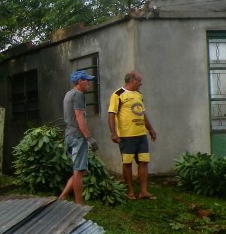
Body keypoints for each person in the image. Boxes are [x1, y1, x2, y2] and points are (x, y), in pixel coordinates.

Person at [107, 70, 157, 200]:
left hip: (141, 135)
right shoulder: (118, 94)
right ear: (132, 80)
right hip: (127, 136)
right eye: (139, 81)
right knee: (127, 162)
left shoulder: (139, 95)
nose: (141, 83)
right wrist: (114, 133)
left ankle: (143, 191)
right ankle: (130, 191)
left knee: (144, 161)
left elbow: (142, 113)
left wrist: (150, 129)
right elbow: (111, 115)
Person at [59, 70, 99, 205]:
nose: (89, 83)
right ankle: (79, 204)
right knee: (79, 171)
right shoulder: (78, 94)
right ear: (79, 82)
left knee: (77, 170)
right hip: (77, 136)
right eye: (86, 80)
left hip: (69, 135)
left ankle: (63, 196)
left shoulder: (68, 94)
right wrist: (88, 137)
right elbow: (79, 116)